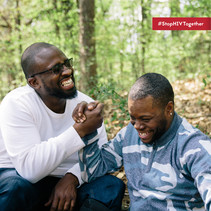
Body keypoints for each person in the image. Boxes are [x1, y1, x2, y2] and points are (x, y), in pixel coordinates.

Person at [0, 42, 125, 211]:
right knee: (14, 186)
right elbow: (30, 170)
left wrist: (72, 177)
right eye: (56, 69)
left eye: (67, 63)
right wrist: (80, 130)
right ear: (34, 82)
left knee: (110, 186)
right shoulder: (17, 103)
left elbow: (99, 158)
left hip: (69, 186)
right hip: (22, 182)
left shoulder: (86, 104)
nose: (67, 71)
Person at [75, 73, 211, 211]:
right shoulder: (129, 135)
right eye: (133, 118)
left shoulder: (193, 146)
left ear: (168, 109)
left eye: (145, 119)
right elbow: (92, 173)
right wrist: (88, 130)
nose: (137, 126)